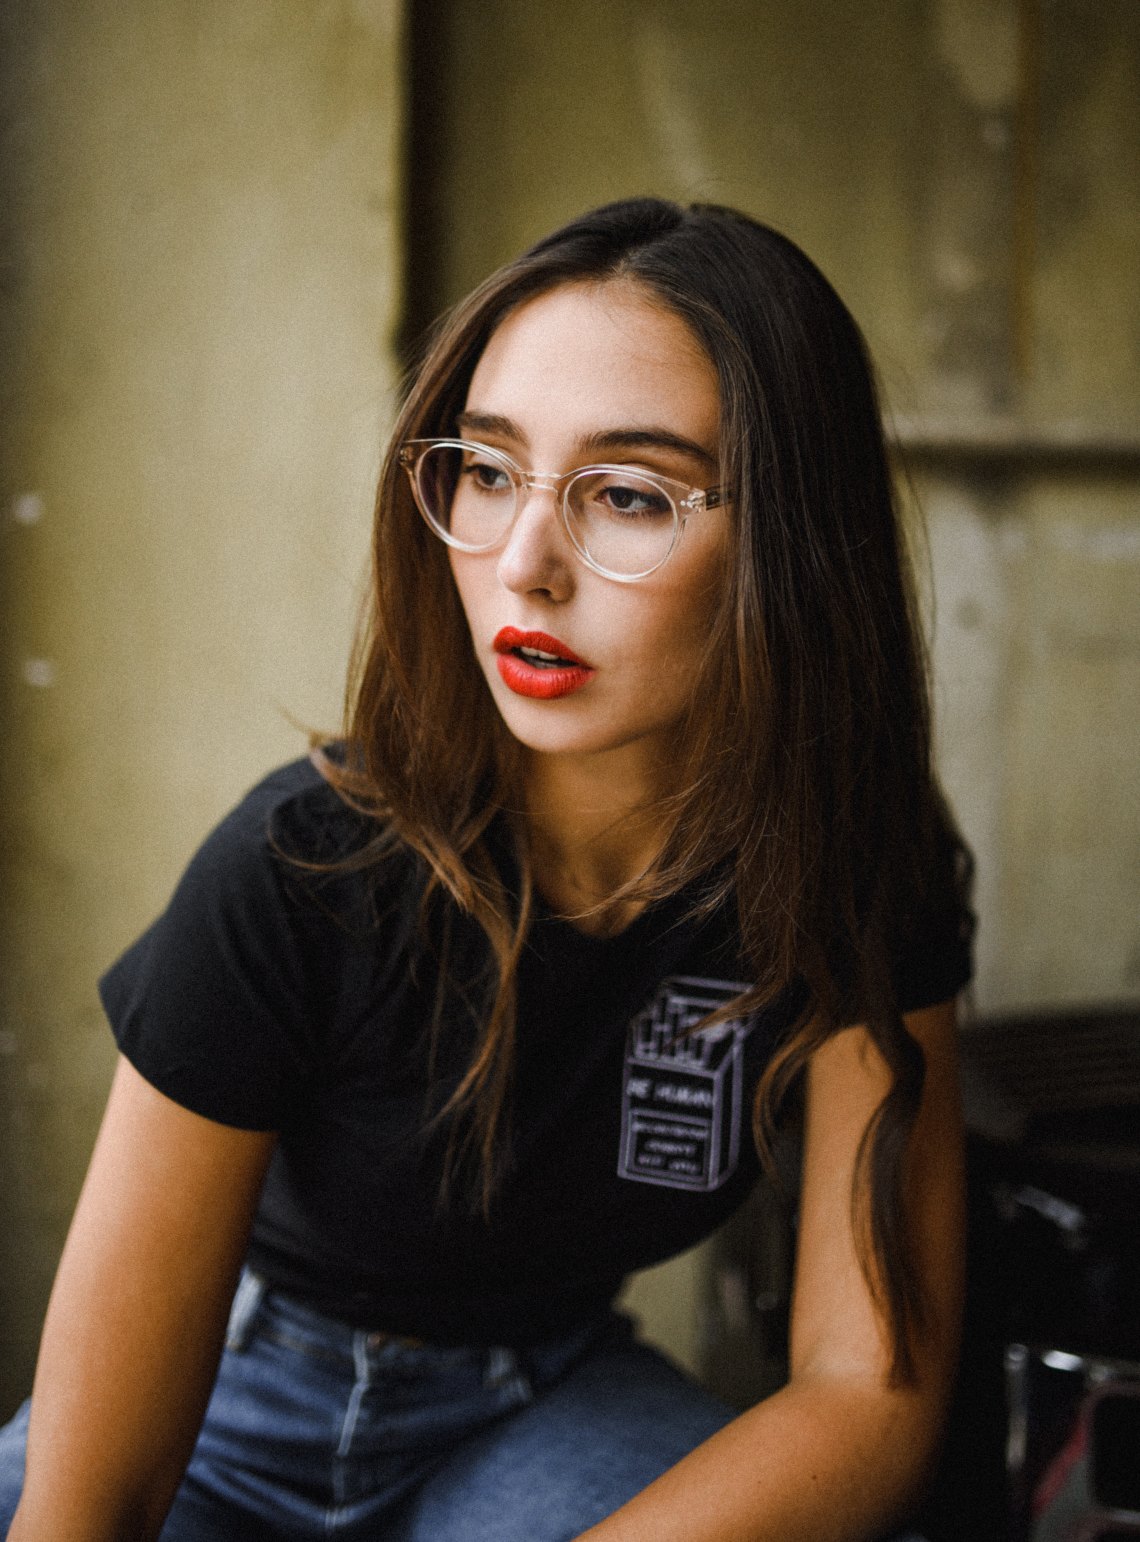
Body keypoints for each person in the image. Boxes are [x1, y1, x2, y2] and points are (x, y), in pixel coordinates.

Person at [0, 197, 974, 1541]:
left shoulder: (861, 866)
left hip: (547, 1404)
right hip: (237, 1399)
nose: (524, 563)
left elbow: (870, 1382)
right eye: (488, 468)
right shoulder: (297, 872)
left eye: (629, 493)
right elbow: (91, 1502)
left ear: (792, 542)